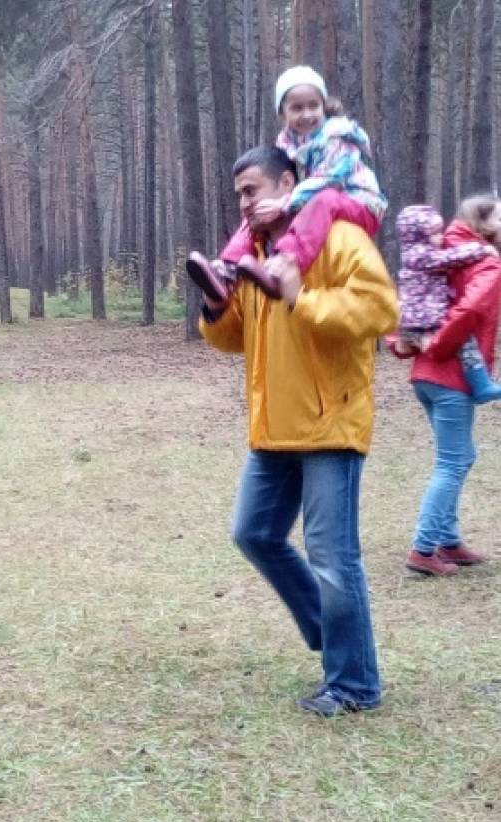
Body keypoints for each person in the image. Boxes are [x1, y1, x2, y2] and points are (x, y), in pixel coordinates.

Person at [200, 145, 398, 717]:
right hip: (273, 427)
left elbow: (379, 310)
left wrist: (300, 297)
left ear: (288, 183)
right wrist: (215, 308)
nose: (244, 202)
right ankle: (335, 635)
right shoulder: (254, 254)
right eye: (239, 194)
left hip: (329, 426)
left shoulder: (339, 238)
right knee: (254, 533)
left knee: (333, 557)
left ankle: (355, 684)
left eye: (252, 189)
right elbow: (235, 338)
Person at [187, 65, 386, 302]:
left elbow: (328, 181)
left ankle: (284, 263)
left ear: (323, 106)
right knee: (257, 212)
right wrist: (274, 205)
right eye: (297, 108)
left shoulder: (337, 137)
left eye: (314, 105)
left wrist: (285, 203)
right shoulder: (287, 142)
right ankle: (227, 269)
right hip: (313, 202)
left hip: (360, 202)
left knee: (325, 199)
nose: (307, 114)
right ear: (282, 113)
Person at [405, 196, 501, 577]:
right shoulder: (486, 262)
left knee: (462, 455)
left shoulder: (437, 248)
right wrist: (441, 345)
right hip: (451, 377)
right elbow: (470, 310)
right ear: (484, 223)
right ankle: (423, 548)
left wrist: (404, 342)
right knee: (453, 461)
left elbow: (409, 297)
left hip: (426, 376)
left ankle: (448, 539)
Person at [392, 203, 501, 404]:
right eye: (434, 234)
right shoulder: (423, 254)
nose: (441, 237)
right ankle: (481, 383)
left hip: (416, 325)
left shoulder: (414, 253)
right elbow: (452, 260)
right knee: (466, 343)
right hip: (427, 321)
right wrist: (481, 250)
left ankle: (482, 383)